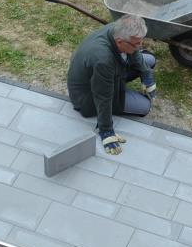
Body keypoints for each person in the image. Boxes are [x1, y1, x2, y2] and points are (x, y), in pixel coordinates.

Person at [66, 14, 157, 156]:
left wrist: (147, 75)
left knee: (149, 60)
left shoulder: (117, 29)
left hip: (107, 74)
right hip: (88, 97)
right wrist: (106, 130)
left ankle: (134, 72)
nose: (140, 46)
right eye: (136, 44)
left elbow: (136, 53)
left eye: (141, 42)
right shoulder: (103, 60)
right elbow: (103, 96)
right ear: (120, 42)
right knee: (145, 106)